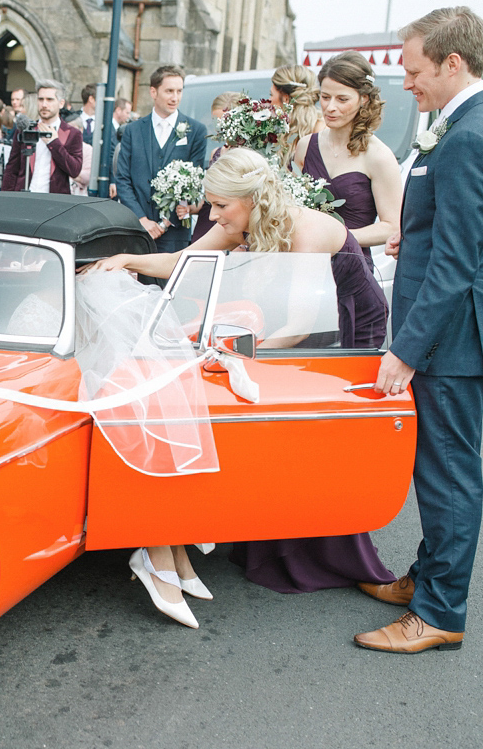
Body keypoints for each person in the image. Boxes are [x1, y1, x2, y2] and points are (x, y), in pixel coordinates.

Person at [85, 146, 392, 628]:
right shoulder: (232, 220)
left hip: (348, 318)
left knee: (313, 432)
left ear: (252, 199)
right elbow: (184, 262)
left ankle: (325, 549)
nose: (212, 214)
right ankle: (264, 533)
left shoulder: (307, 231)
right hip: (289, 322)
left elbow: (302, 324)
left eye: (220, 205)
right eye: (210, 203)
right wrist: (125, 260)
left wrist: (234, 353)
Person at [354, 7, 483, 655]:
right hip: (461, 327)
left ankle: (439, 613)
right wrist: (418, 234)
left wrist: (405, 350)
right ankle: (427, 579)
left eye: (414, 70)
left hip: (452, 337)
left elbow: (458, 261)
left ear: (453, 63)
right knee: (442, 471)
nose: (407, 83)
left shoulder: (472, 136)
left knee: (449, 477)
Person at [292, 52, 401, 256]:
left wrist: (336, 238)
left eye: (342, 99)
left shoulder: (379, 156)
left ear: (364, 99)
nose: (330, 107)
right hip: (305, 264)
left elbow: (391, 227)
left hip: (352, 267)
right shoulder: (306, 146)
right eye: (325, 97)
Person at [115, 66, 207, 252]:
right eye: (169, 91)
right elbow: (123, 179)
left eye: (179, 91)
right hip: (137, 230)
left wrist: (165, 222)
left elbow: (193, 183)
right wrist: (141, 219)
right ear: (153, 92)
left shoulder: (196, 131)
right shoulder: (133, 131)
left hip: (175, 234)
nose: (175, 98)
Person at [1, 80, 83, 194]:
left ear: (61, 103)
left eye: (49, 99)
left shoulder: (73, 133)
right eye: (41, 99)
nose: (44, 104)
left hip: (55, 202)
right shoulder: (25, 129)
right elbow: (12, 168)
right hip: (24, 198)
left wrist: (54, 143)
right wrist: (6, 198)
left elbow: (75, 170)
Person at [189, 91, 245, 242]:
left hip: (233, 223)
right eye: (215, 121)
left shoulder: (249, 155)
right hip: (207, 221)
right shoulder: (216, 152)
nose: (218, 127)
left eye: (223, 121)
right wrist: (191, 207)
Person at [271, 64, 323, 169]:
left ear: (285, 99)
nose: (268, 101)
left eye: (271, 94)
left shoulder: (321, 131)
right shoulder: (277, 131)